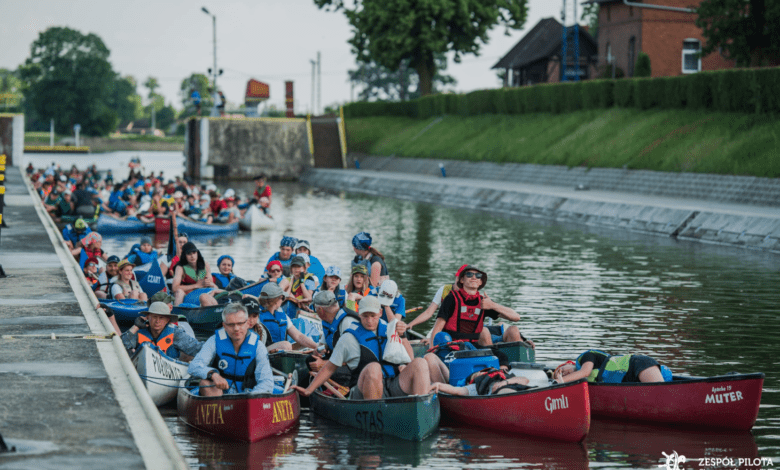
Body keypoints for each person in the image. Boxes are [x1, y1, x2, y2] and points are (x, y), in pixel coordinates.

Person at [293, 296, 431, 400]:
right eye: (365, 316)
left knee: (420, 363)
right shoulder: (348, 338)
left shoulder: (390, 329)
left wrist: (403, 336)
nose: (369, 320)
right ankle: (377, 416)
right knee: (374, 368)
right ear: (359, 314)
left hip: (392, 385)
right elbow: (330, 367)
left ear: (380, 313)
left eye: (373, 316)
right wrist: (308, 390)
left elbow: (410, 359)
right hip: (363, 391)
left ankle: (421, 409)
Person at [188, 303, 274, 396]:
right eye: (231, 325)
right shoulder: (214, 341)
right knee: (204, 384)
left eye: (240, 323)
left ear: (247, 323)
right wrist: (213, 375)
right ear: (224, 326)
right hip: (219, 395)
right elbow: (194, 366)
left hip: (247, 395)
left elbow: (266, 381)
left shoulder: (258, 346)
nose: (236, 329)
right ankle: (219, 409)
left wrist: (250, 399)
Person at [429, 265, 527, 347]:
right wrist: (432, 350)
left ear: (480, 282)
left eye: (478, 275)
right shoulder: (451, 298)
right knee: (484, 331)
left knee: (513, 330)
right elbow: (437, 328)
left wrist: (493, 305)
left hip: (477, 346)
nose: (474, 277)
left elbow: (516, 317)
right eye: (469, 274)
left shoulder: (485, 302)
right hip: (456, 347)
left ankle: (501, 367)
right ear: (462, 280)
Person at [121, 302, 203, 359]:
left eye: (161, 318)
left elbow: (195, 348)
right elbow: (120, 346)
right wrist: (135, 327)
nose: (157, 321)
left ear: (167, 320)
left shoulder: (175, 333)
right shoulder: (139, 331)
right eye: (154, 317)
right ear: (148, 317)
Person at [307, 290, 359, 380]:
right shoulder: (328, 321)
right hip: (339, 360)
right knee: (310, 359)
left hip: (354, 367)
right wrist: (319, 351)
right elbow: (323, 344)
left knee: (322, 368)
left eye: (315, 308)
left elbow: (354, 358)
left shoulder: (346, 323)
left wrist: (324, 364)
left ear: (320, 310)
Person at [407, 265, 466, 340]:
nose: (460, 282)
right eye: (459, 278)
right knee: (427, 341)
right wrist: (411, 324)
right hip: (441, 326)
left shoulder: (470, 294)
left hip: (461, 331)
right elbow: (428, 312)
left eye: (463, 279)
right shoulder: (444, 290)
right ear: (456, 276)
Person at [256, 283, 318, 351]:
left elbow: (298, 336)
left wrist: (316, 347)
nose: (283, 300)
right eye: (282, 298)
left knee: (304, 344)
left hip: (280, 351)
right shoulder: (256, 317)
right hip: (264, 352)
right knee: (286, 345)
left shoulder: (282, 315)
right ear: (276, 300)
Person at [553, 350, 671, 384]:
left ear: (568, 363)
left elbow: (585, 372)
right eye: (561, 375)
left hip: (637, 365)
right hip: (630, 379)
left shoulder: (586, 356)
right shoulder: (580, 383)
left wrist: (559, 381)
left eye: (561, 370)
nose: (564, 374)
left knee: (660, 393)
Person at [429, 367, 531, 396]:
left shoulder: (505, 377)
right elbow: (456, 390)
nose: (480, 373)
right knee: (504, 392)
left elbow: (525, 380)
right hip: (502, 394)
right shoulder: (474, 387)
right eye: (475, 375)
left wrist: (505, 382)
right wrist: (438, 385)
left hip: (514, 387)